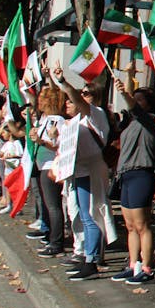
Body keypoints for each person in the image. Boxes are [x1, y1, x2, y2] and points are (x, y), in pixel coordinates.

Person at [52, 70, 116, 281]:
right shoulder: (76, 121)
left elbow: (76, 99)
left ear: (95, 98)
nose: (81, 96)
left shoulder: (96, 114)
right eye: (83, 92)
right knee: (82, 214)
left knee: (91, 216)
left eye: (86, 93)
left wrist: (63, 82)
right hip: (78, 171)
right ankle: (86, 255)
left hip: (91, 171)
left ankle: (91, 260)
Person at [110, 80, 155, 284]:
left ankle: (147, 266)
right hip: (126, 174)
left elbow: (135, 109)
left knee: (142, 225)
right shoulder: (130, 122)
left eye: (140, 100)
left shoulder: (149, 120)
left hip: (142, 173)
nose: (135, 103)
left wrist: (125, 94)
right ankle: (133, 264)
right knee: (130, 225)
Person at [30, 87, 69, 257]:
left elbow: (57, 144)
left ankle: (56, 242)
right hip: (43, 164)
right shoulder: (46, 119)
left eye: (44, 99)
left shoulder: (57, 120)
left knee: (53, 205)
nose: (40, 102)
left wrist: (40, 141)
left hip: (50, 165)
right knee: (48, 204)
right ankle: (50, 237)